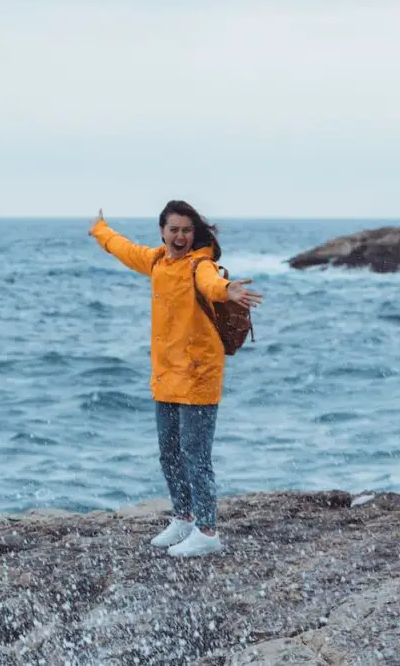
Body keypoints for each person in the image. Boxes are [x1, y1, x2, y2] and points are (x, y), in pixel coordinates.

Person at [88, 201, 263, 557]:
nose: (180, 236)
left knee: (195, 455)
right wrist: (100, 230)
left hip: (198, 376)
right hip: (166, 374)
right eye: (174, 230)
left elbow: (211, 282)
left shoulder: (200, 265)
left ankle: (208, 531)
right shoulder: (156, 261)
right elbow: (125, 249)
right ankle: (183, 518)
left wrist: (228, 290)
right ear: (162, 232)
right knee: (169, 454)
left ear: (194, 233)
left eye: (187, 230)